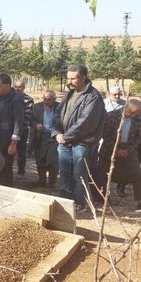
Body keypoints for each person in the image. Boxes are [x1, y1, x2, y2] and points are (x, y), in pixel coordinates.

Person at [51, 64, 105, 213]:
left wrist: (65, 137)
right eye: (68, 78)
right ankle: (65, 201)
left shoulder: (93, 97)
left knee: (79, 174)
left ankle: (79, 203)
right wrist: (56, 133)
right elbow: (57, 114)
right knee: (65, 172)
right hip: (64, 141)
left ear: (83, 78)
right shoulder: (70, 93)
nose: (69, 81)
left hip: (82, 143)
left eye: (73, 78)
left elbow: (85, 123)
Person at [98, 100, 141, 206]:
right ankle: (103, 199)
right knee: (103, 174)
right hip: (109, 151)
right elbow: (106, 136)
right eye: (132, 112)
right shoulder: (111, 116)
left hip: (129, 151)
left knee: (138, 175)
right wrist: (116, 150)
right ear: (125, 108)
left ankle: (140, 202)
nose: (134, 115)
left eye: (136, 112)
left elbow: (138, 137)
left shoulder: (138, 118)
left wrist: (128, 150)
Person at [0, 73, 24, 189]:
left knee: (6, 166)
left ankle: (6, 192)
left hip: (7, 139)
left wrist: (13, 144)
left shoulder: (16, 100)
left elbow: (18, 123)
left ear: (7, 85)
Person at [32, 90, 60, 188]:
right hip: (40, 136)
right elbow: (31, 120)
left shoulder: (59, 107)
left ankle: (52, 182)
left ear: (54, 99)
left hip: (54, 137)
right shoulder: (37, 107)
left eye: (49, 100)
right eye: (44, 99)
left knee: (52, 160)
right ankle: (41, 180)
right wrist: (36, 125)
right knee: (40, 159)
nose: (46, 102)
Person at [13, 80, 34, 180]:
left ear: (24, 88)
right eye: (16, 86)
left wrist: (17, 124)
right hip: (10, 130)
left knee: (21, 152)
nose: (17, 89)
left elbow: (28, 115)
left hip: (23, 129)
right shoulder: (11, 98)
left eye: (19, 87)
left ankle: (21, 171)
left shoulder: (28, 99)